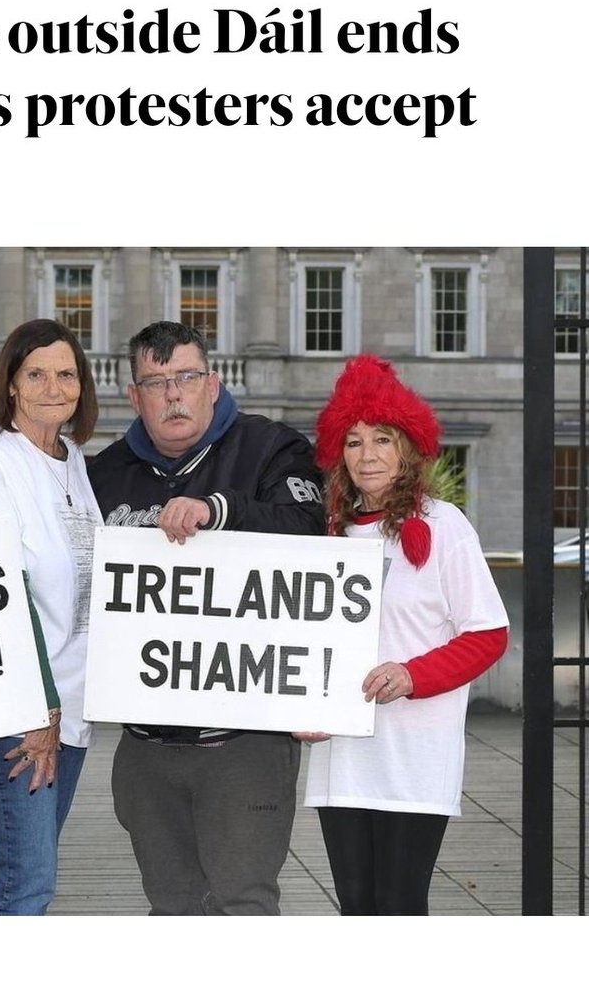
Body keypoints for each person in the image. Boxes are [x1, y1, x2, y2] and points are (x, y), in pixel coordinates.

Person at [87, 320, 325, 915]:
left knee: (242, 904)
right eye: (156, 381)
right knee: (171, 908)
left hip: (243, 744)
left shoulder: (272, 448)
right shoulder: (103, 475)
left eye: (187, 378)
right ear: (133, 395)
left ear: (213, 384)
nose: (173, 394)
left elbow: (313, 533)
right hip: (147, 745)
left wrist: (221, 510)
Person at [299, 353, 509, 915]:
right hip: (341, 756)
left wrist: (413, 675)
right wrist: (298, 703)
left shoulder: (444, 526)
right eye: (354, 441)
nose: (367, 455)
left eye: (382, 439)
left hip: (415, 757)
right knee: (357, 907)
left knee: (398, 908)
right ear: (336, 453)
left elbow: (488, 634)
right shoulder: (328, 534)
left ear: (407, 448)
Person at [0, 318, 102, 915]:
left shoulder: (73, 459)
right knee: (28, 880)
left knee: (24, 864)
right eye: (36, 374)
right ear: (11, 384)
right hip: (20, 707)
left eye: (66, 374)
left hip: (72, 703)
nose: (53, 386)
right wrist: (37, 705)